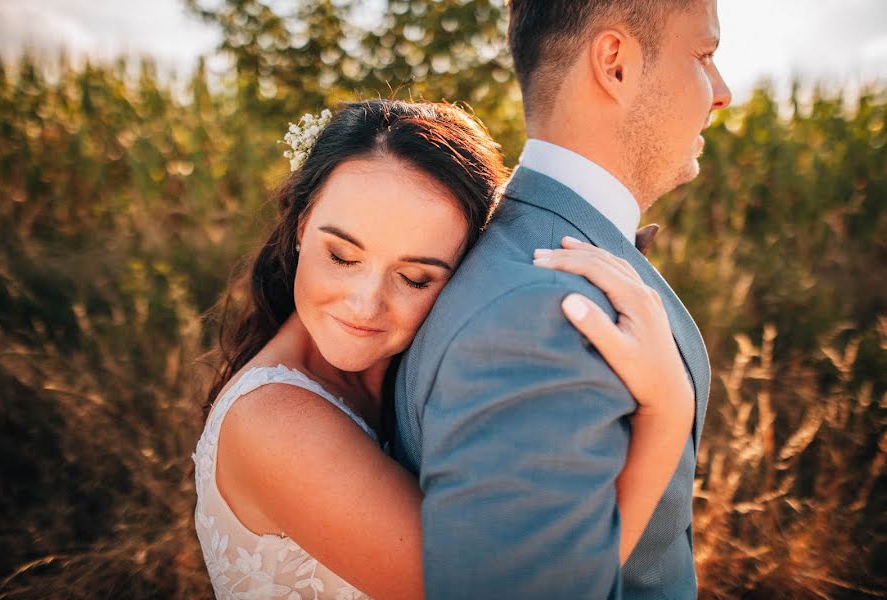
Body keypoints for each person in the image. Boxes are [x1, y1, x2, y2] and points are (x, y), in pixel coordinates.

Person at [193, 99, 696, 599]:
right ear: (302, 224)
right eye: (342, 256)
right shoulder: (275, 423)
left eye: (415, 278)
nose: (365, 306)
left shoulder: (407, 370)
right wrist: (668, 411)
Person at [394, 0, 732, 598]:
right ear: (615, 64)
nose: (722, 91)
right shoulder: (542, 315)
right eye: (704, 55)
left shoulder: (520, 247)